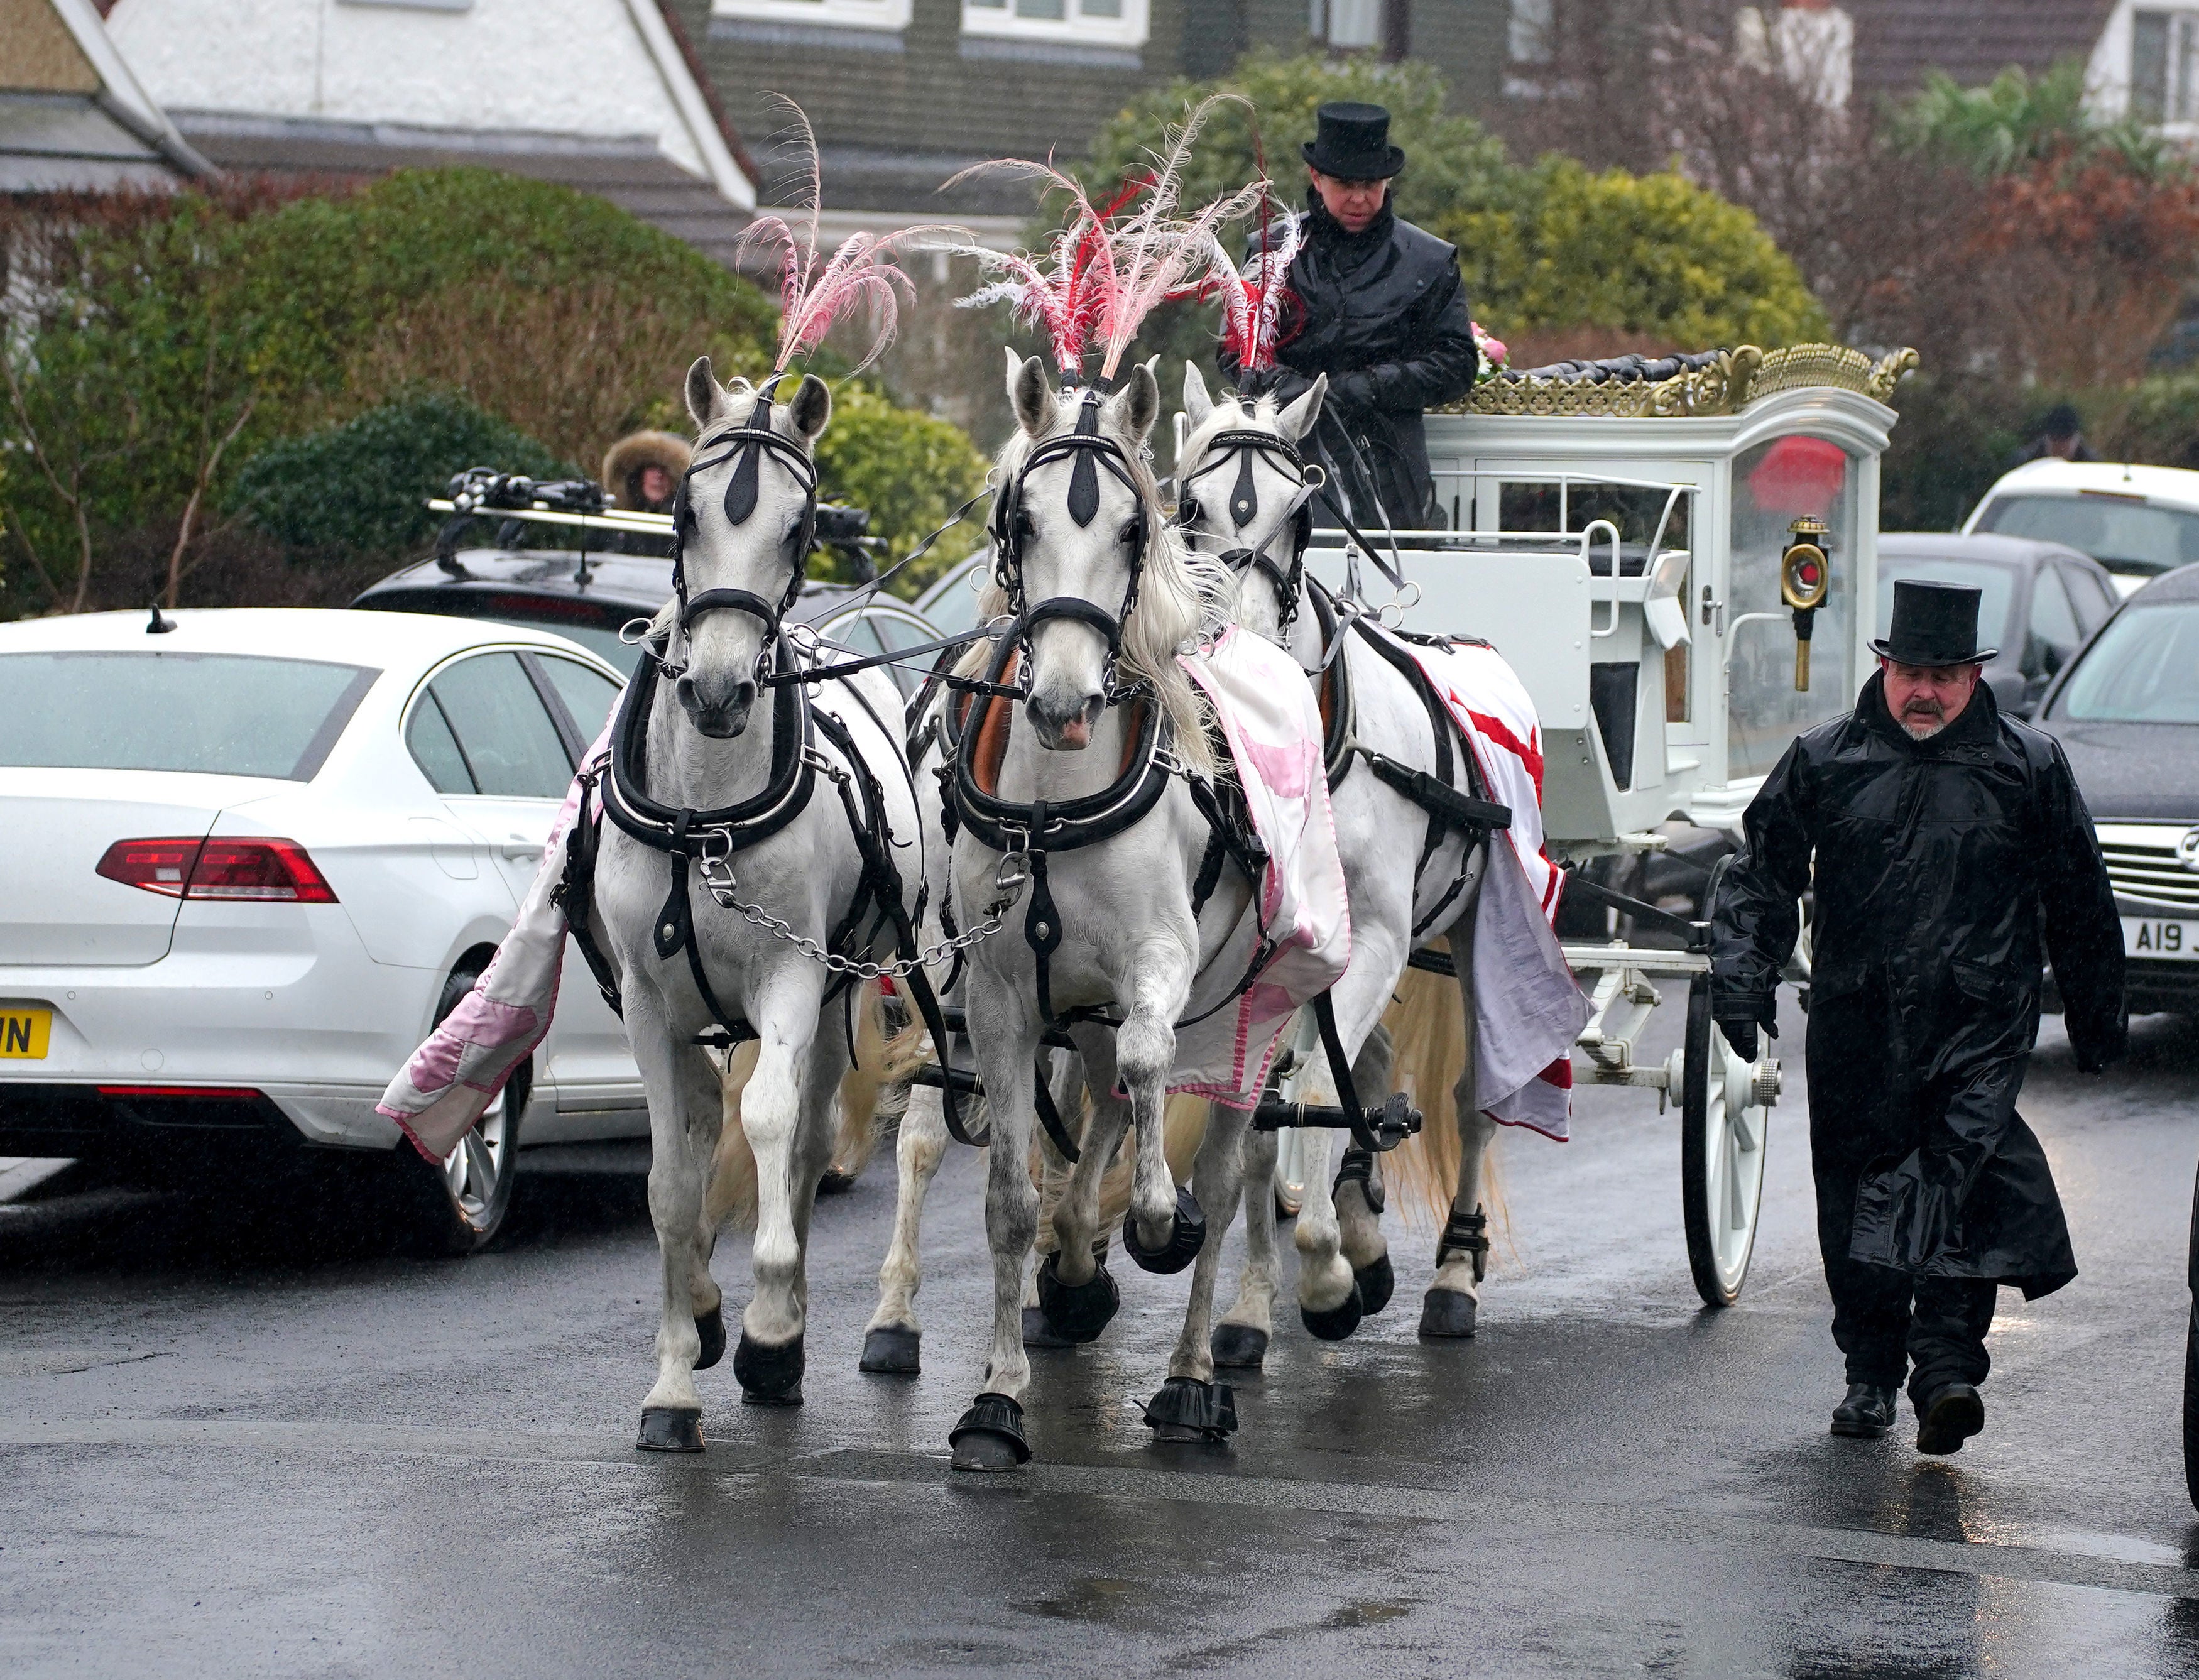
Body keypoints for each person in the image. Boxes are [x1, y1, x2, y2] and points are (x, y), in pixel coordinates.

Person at [1710, 579, 2125, 1456]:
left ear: (1975, 677)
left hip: (1978, 1024)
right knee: (1854, 1200)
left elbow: (2079, 898)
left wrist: (2098, 1018)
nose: (1924, 692)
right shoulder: (1826, 760)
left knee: (1954, 1187)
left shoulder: (2031, 767)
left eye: (1944, 674)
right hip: (1858, 1023)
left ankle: (1946, 1371)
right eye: (1910, 673)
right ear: (1884, 669)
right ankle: (1869, 1370)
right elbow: (1761, 873)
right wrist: (1741, 982)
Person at [1218, 101, 1480, 532]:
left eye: (1371, 184)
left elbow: (1456, 363)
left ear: (1387, 181)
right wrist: (1302, 393)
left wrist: (1367, 387)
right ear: (1316, 179)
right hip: (1282, 447)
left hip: (1390, 461)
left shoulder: (1430, 261)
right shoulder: (1270, 249)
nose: (1360, 199)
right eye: (1345, 184)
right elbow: (1235, 351)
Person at [600, 430, 691, 555]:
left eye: (666, 469)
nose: (659, 476)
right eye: (652, 467)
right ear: (638, 475)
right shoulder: (613, 520)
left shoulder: (688, 527)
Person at [2006, 402, 2098, 467]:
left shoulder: (2092, 466)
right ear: (2046, 438)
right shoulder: (2024, 463)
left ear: (2077, 439)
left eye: (2066, 440)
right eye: (2055, 439)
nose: (2060, 446)